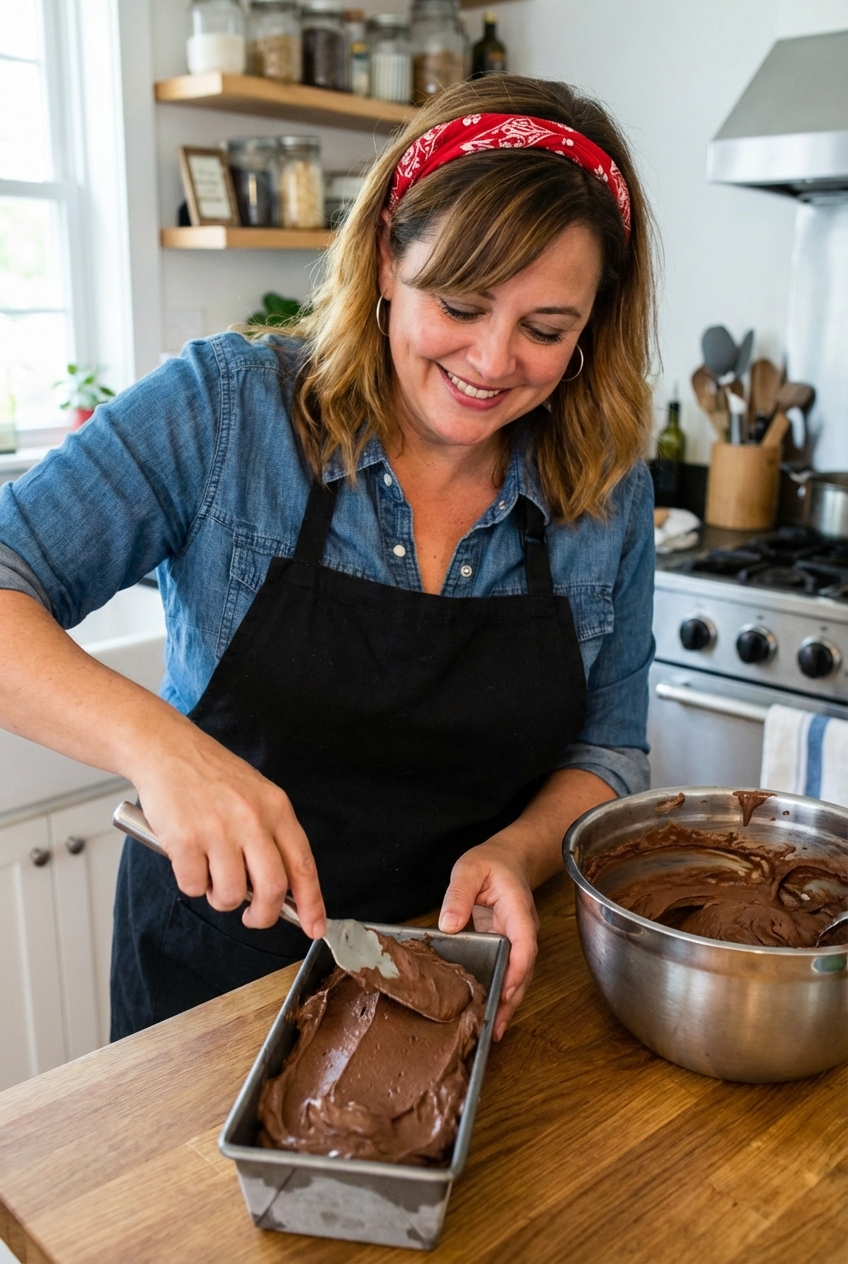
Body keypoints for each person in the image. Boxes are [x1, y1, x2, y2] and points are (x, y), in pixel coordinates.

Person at [0, 75, 656, 1044]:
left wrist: (515, 853)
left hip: (454, 996)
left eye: (544, 329)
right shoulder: (225, 412)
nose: (490, 360)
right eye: (461, 303)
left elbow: (608, 750)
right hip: (207, 998)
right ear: (388, 256)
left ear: (591, 322)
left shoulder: (607, 488)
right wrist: (162, 749)